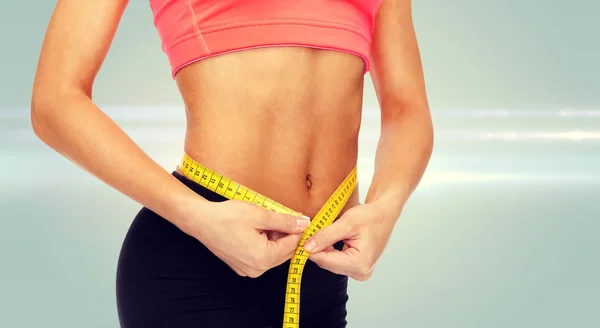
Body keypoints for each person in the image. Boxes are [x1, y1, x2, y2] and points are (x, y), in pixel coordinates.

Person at [30, 0, 434, 327]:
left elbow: (406, 107)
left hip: (321, 277)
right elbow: (55, 101)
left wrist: (385, 207)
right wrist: (196, 215)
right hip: (198, 261)